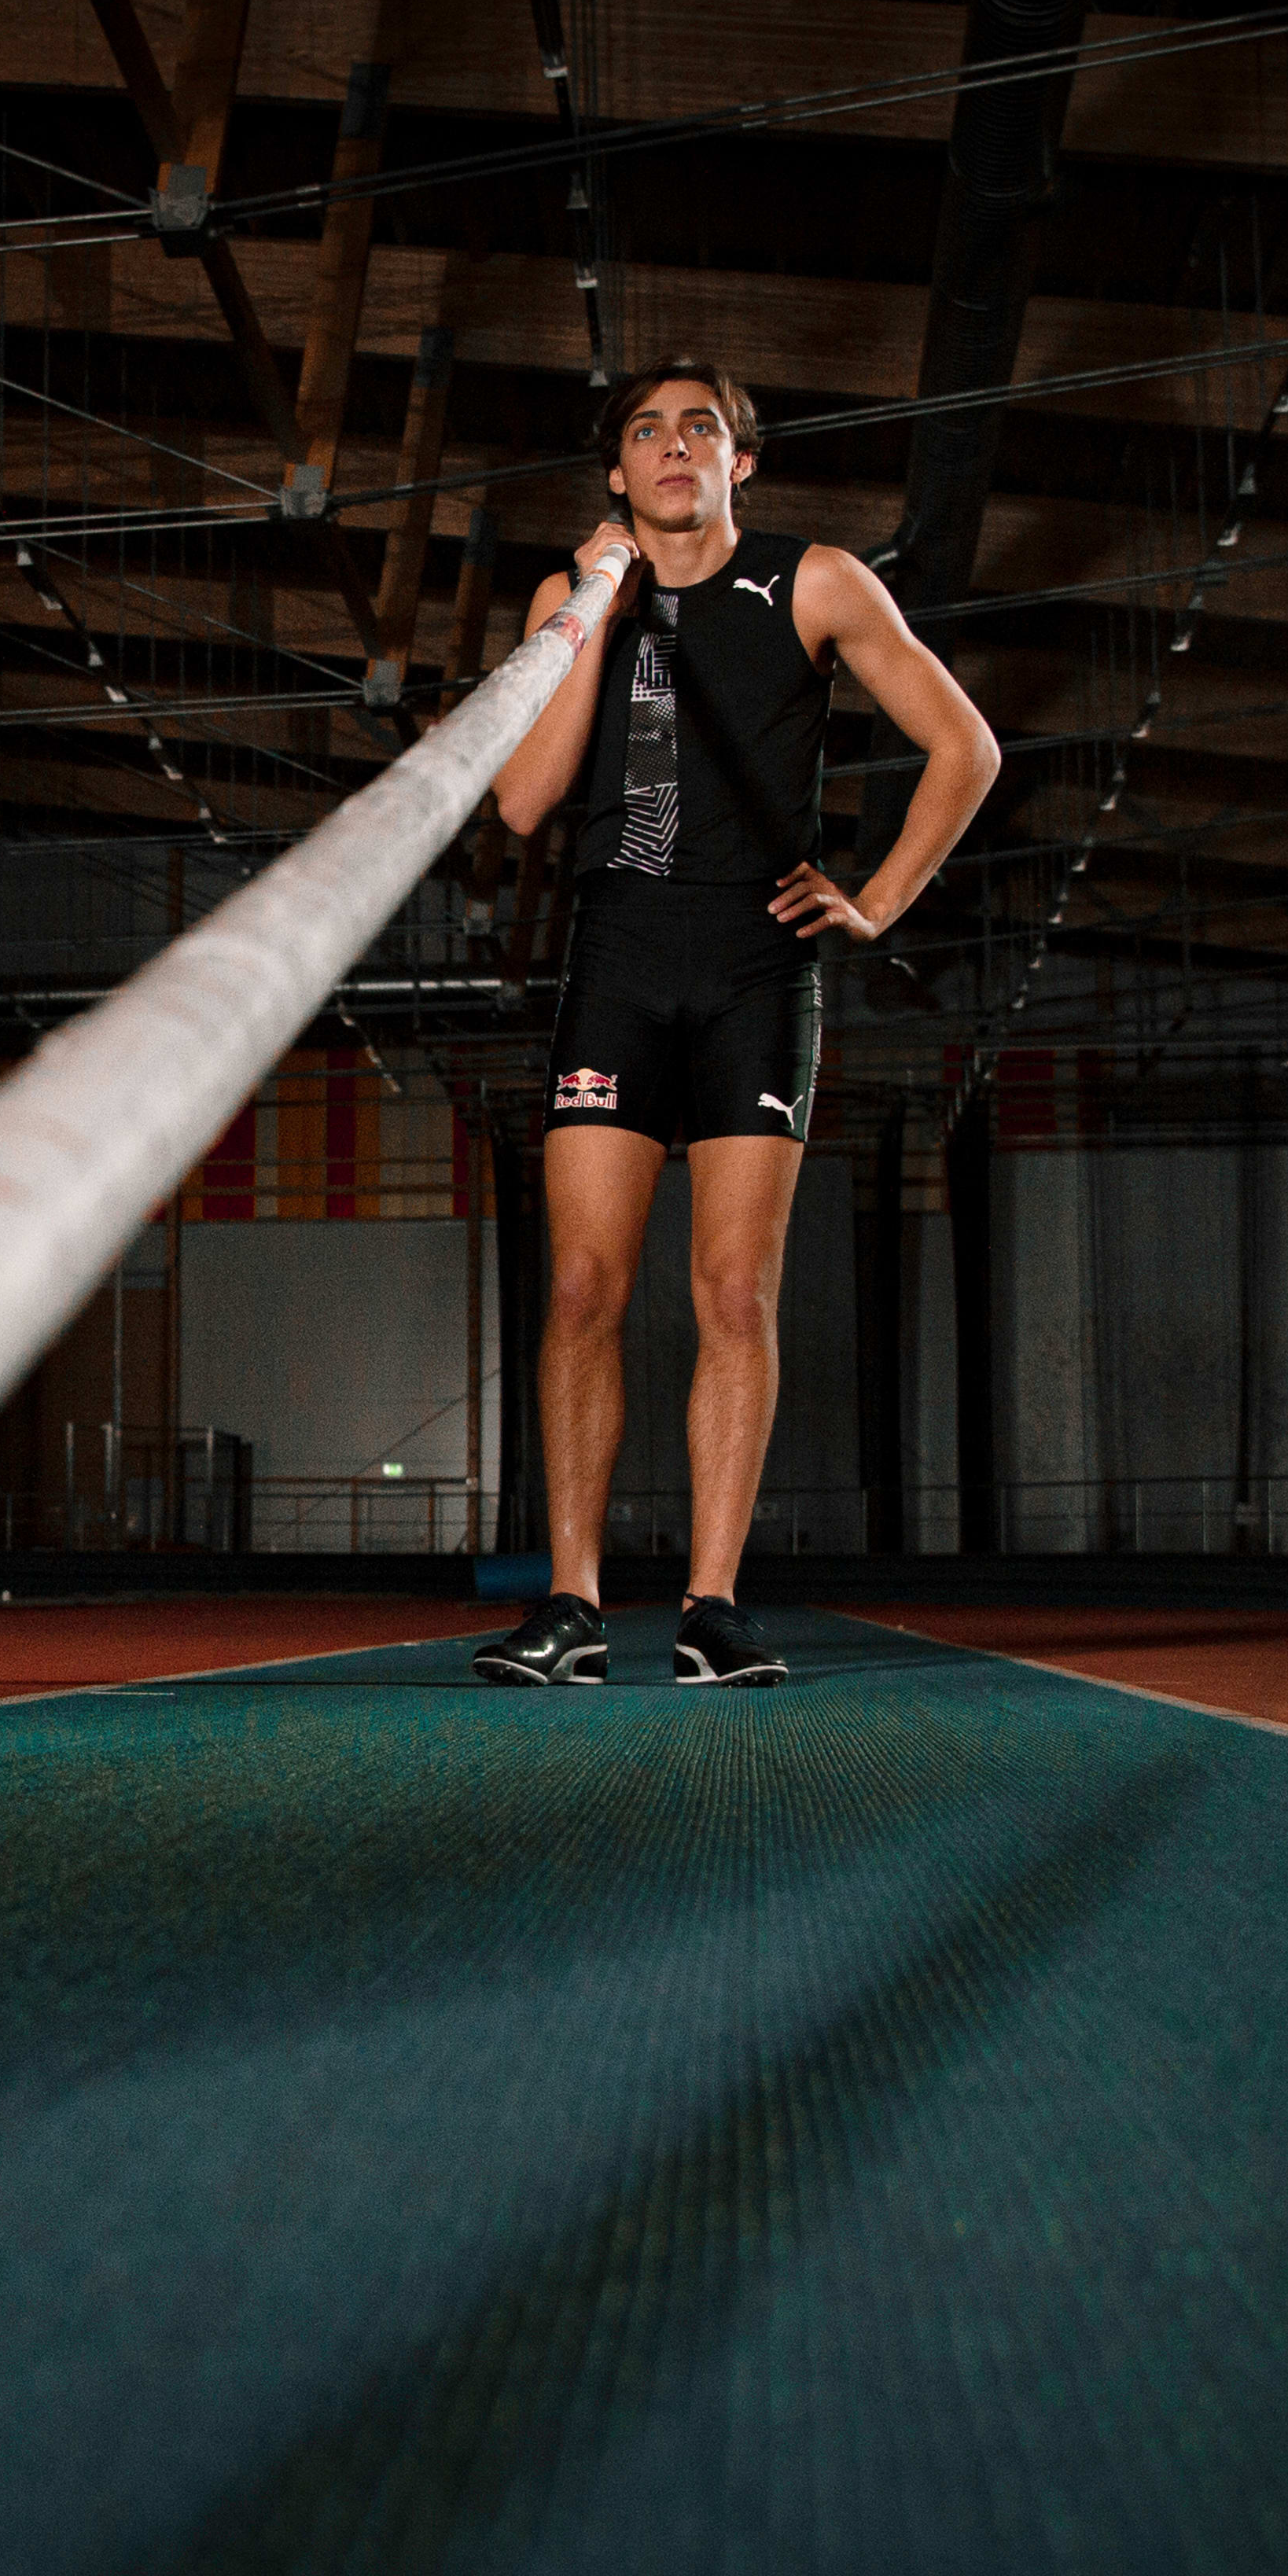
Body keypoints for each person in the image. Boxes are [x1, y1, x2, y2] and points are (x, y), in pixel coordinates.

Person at [469, 361, 1000, 1687]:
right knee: (583, 1287)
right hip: (619, 960)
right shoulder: (573, 593)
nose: (672, 447)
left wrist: (878, 902)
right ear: (616, 473)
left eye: (698, 428)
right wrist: (592, 614)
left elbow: (968, 748)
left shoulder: (815, 583)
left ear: (738, 463)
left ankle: (712, 1605)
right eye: (646, 432)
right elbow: (525, 801)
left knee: (733, 1293)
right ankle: (573, 1606)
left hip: (758, 973)